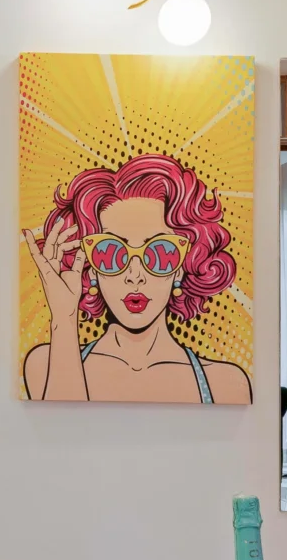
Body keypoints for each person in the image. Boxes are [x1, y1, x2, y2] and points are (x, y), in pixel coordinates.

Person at [22, 151, 253, 404]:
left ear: (182, 265)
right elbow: (62, 427)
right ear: (90, 268)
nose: (135, 276)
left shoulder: (224, 382)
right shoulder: (43, 364)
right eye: (109, 252)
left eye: (161, 252)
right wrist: (64, 320)